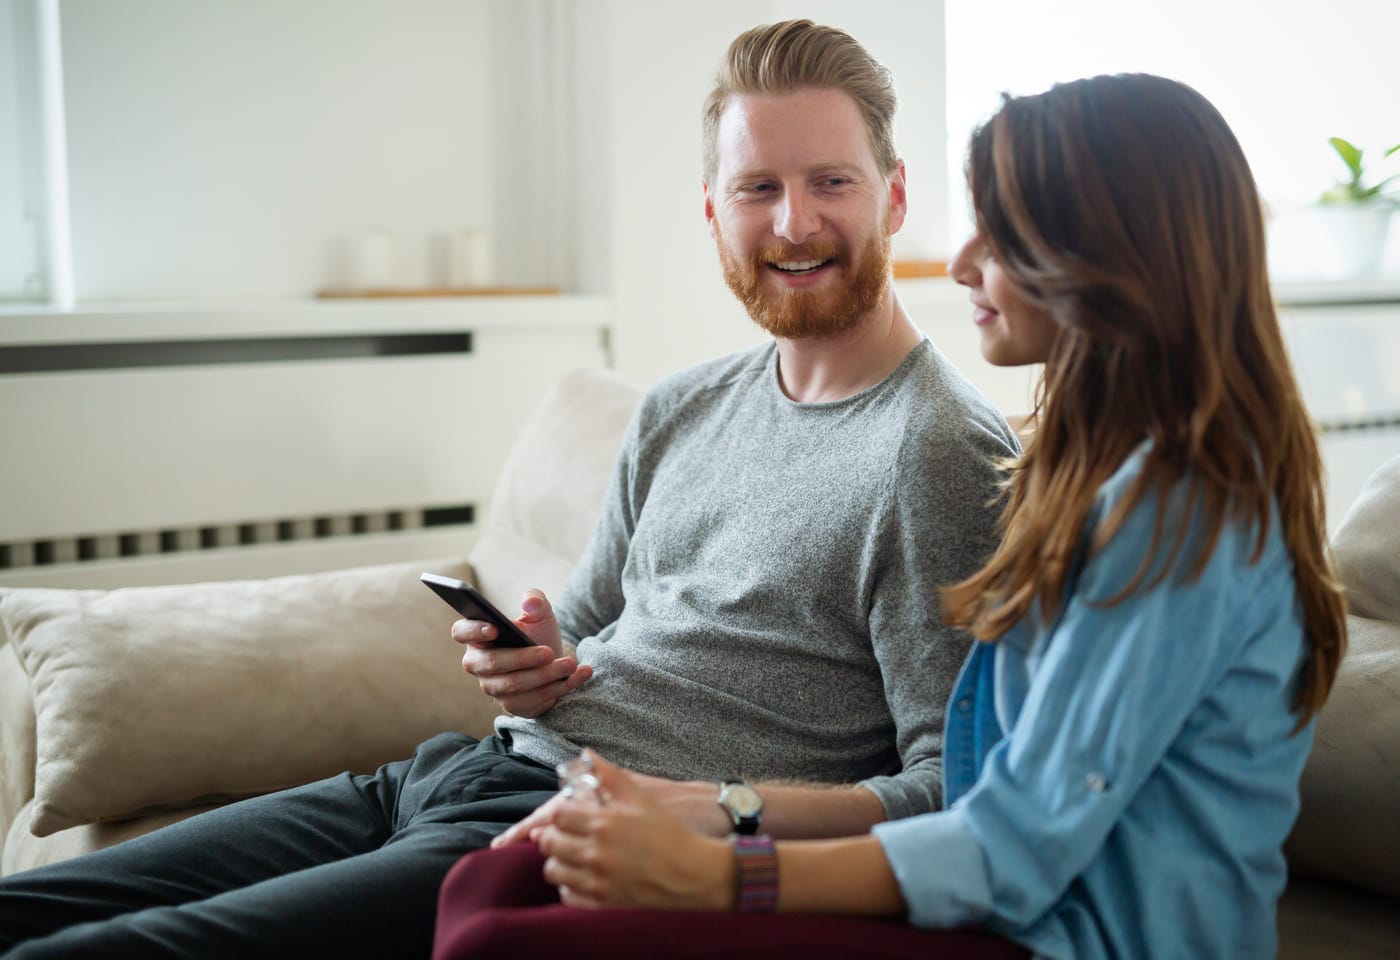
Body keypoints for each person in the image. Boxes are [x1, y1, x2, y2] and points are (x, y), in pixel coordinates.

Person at [0, 19, 1017, 960]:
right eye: (758, 188)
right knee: (33, 907)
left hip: (558, 832)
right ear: (713, 212)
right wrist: (531, 659)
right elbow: (584, 626)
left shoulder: (936, 453)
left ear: (893, 196)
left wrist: (720, 812)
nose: (794, 222)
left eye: (831, 181)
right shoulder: (681, 408)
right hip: (448, 769)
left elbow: (954, 786)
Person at [428, 73, 1349, 960]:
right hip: (984, 898)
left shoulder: (1181, 520)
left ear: (1118, 259)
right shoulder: (1094, 477)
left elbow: (1005, 841)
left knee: (496, 929)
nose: (961, 263)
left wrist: (722, 865)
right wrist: (711, 807)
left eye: (1005, 237)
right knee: (486, 890)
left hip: (1057, 936)